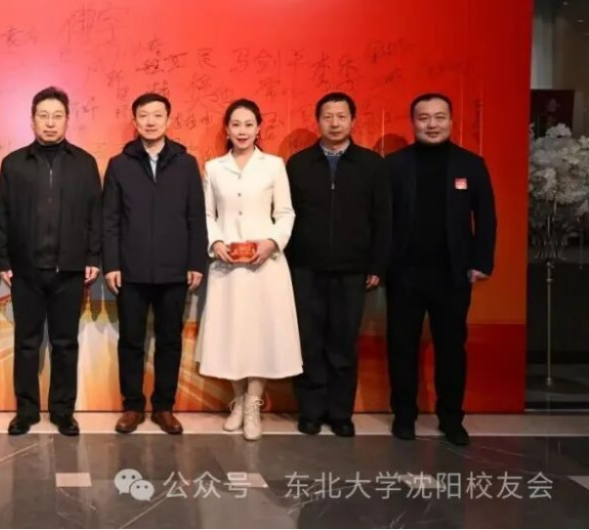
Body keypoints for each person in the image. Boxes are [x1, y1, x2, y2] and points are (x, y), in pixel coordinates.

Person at [385, 93, 496, 446]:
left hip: (453, 273)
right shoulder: (395, 165)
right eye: (424, 118)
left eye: (439, 117)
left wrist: (481, 261)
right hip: (404, 272)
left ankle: (451, 418)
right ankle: (404, 416)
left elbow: (486, 217)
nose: (431, 124)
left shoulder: (471, 165)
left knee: (451, 348)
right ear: (413, 122)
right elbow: (381, 219)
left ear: (450, 120)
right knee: (401, 346)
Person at [0, 87, 102, 437]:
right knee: (26, 343)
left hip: (69, 270)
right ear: (32, 120)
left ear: (67, 120)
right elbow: (2, 215)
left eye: (57, 116)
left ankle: (62, 411)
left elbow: (95, 214)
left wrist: (93, 256)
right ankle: (25, 411)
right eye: (43, 116)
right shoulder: (14, 163)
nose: (50, 123)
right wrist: (2, 259)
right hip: (25, 271)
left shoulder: (85, 163)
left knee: (65, 344)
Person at [286, 92, 392, 438]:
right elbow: (286, 217)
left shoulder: (372, 165)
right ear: (318, 121)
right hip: (305, 268)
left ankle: (340, 413)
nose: (334, 123)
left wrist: (377, 264)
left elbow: (383, 219)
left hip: (352, 270)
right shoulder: (299, 164)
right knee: (309, 341)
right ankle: (310, 411)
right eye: (328, 117)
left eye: (341, 116)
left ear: (352, 120)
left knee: (343, 343)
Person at [197, 99, 301, 441]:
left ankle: (254, 403)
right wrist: (215, 242)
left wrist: (272, 242)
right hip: (227, 266)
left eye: (248, 124)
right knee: (232, 333)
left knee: (260, 333)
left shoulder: (273, 166)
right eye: (236, 124)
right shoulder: (214, 168)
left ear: (258, 129)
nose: (242, 131)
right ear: (226, 130)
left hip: (265, 266)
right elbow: (207, 214)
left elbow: (285, 213)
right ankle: (238, 401)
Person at [103, 93, 206, 435]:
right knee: (131, 340)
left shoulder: (186, 164)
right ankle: (132, 406)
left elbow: (196, 217)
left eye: (157, 115)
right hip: (130, 270)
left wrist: (196, 262)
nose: (150, 121)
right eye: (144, 115)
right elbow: (110, 219)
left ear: (168, 119)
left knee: (169, 340)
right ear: (134, 121)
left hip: (174, 269)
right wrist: (112, 264)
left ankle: (164, 407)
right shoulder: (119, 164)